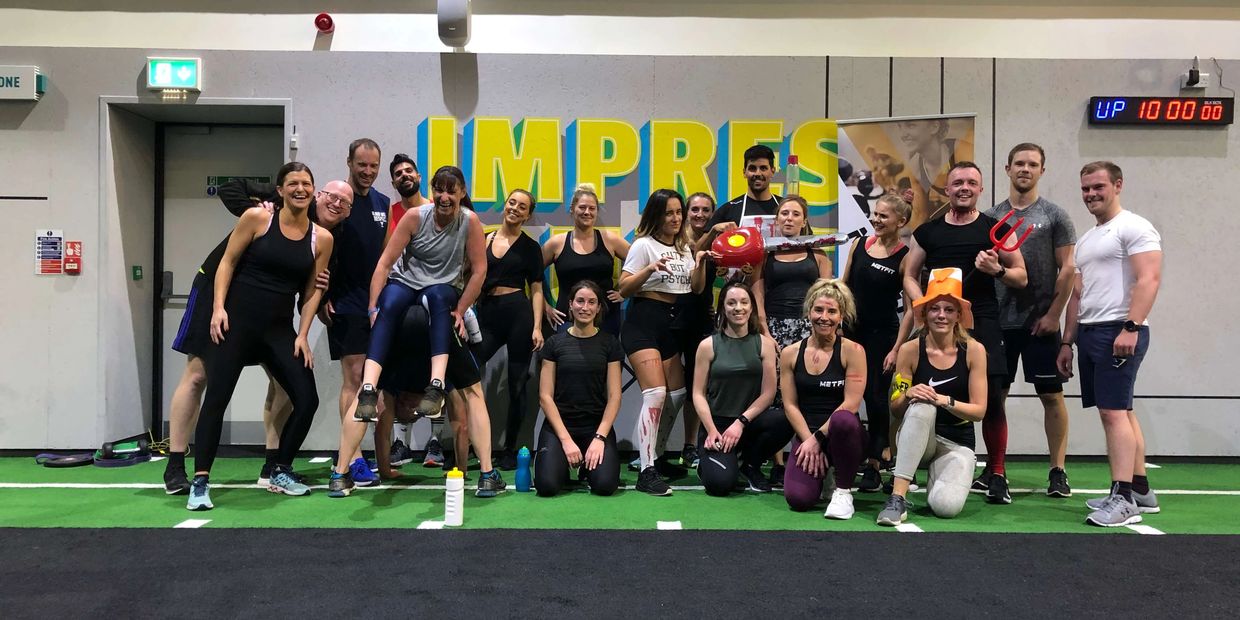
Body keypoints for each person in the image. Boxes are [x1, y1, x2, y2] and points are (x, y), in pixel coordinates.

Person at [163, 178, 349, 494]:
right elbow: (231, 189)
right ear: (316, 194)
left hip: (268, 314)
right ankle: (176, 465)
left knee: (284, 384)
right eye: (331, 197)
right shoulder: (272, 210)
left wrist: (314, 311)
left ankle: (273, 466)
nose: (336, 205)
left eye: (344, 204)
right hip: (217, 293)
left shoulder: (327, 238)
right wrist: (265, 195)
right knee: (197, 375)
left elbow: (311, 289)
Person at [345, 165, 506, 495]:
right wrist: (373, 307)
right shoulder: (416, 216)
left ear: (462, 193)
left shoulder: (468, 222)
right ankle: (485, 472)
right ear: (432, 191)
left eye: (452, 190)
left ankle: (346, 462)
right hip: (417, 305)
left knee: (385, 394)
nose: (445, 196)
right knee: (472, 394)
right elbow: (385, 264)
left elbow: (479, 271)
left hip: (436, 305)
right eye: (439, 189)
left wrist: (460, 310)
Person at [902, 161, 1028, 504]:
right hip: (937, 320)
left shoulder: (995, 230)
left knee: (994, 400)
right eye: (958, 183)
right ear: (947, 189)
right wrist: (924, 304)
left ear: (981, 189)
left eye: (971, 183)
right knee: (919, 391)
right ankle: (909, 469)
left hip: (982, 321)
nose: (964, 188)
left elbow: (1021, 277)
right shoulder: (928, 232)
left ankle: (996, 473)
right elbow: (910, 275)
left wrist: (997, 269)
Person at [1057, 161, 1162, 527]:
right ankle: (1140, 490)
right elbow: (1077, 294)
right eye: (1085, 188)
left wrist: (1130, 326)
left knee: (1113, 414)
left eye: (1098, 187)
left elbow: (1149, 278)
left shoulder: (1133, 226)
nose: (1091, 194)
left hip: (1119, 329)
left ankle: (1123, 498)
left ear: (1117, 185)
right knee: (1121, 410)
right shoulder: (1088, 238)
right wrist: (1068, 341)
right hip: (1091, 331)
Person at [985, 143, 1077, 498]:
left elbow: (1068, 268)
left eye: (1033, 164)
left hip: (1041, 322)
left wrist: (1054, 314)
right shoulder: (991, 217)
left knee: (1051, 395)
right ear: (1007, 168)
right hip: (1000, 321)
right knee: (997, 396)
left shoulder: (1055, 215)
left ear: (1043, 170)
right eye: (1019, 163)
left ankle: (1058, 470)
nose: (1025, 169)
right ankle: (996, 471)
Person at [330, 303, 494, 497]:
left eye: (406, 409)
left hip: (399, 319)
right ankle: (487, 475)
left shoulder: (393, 381)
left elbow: (383, 430)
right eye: (412, 412)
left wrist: (385, 471)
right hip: (433, 318)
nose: (409, 408)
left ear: (400, 402)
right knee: (473, 393)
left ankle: (340, 475)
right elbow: (461, 425)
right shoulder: (440, 378)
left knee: (365, 393)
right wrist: (461, 471)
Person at [876, 267, 988, 526]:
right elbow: (895, 407)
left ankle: (939, 479)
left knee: (945, 508)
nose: (941, 315)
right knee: (922, 406)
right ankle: (897, 498)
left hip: (957, 442)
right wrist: (909, 395)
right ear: (924, 313)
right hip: (918, 436)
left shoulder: (974, 351)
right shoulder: (908, 350)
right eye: (935, 308)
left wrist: (943, 400)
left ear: (959, 315)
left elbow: (979, 411)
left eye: (949, 309)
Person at [618, 188, 710, 496]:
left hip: (673, 322)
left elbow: (696, 289)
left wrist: (699, 263)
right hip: (643, 321)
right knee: (656, 394)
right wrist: (648, 269)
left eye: (678, 212)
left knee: (678, 394)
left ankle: (654, 455)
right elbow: (624, 288)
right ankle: (646, 471)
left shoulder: (685, 247)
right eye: (668, 213)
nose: (675, 218)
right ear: (656, 215)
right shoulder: (643, 245)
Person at [751, 195, 832, 486]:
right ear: (776, 220)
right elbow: (757, 292)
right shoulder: (766, 253)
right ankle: (777, 462)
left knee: (804, 392)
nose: (788, 218)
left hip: (809, 331)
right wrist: (764, 330)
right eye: (783, 213)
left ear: (804, 220)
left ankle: (807, 450)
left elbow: (828, 295)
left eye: (795, 214)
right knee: (775, 396)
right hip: (774, 329)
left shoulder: (819, 254)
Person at [324, 139, 391, 486]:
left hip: (375, 306)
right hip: (346, 304)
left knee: (374, 386)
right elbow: (318, 250)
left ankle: (355, 456)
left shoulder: (383, 203)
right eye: (361, 164)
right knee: (354, 381)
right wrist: (321, 296)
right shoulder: (337, 201)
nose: (367, 171)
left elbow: (383, 258)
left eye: (373, 166)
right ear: (349, 162)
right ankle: (352, 458)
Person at [842, 193, 913, 492]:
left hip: (882, 336)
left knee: (876, 398)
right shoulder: (859, 245)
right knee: (847, 398)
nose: (875, 220)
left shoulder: (905, 256)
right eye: (875, 213)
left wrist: (897, 348)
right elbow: (843, 287)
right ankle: (849, 456)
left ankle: (875, 465)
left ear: (901, 221)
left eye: (884, 216)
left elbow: (911, 310)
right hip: (851, 332)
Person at [779, 279, 867, 519]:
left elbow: (852, 403)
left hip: (844, 435)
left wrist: (818, 438)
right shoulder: (789, 354)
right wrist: (809, 440)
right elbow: (790, 404)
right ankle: (825, 474)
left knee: (842, 419)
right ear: (809, 312)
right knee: (798, 499)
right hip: (809, 436)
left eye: (832, 311)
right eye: (818, 310)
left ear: (841, 316)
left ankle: (843, 491)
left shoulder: (854, 351)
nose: (824, 317)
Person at [692, 282, 789, 496]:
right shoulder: (708, 345)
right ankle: (708, 464)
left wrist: (741, 422)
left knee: (785, 418)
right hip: (717, 424)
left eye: (744, 302)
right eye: (731, 303)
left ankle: (750, 464)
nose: (738, 308)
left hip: (749, 422)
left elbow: (768, 393)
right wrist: (710, 429)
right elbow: (698, 394)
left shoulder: (764, 344)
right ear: (723, 308)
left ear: (752, 307)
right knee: (719, 486)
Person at [475, 189, 545, 470]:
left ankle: (510, 448)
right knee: (467, 371)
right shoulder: (484, 239)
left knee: (517, 384)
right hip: (487, 315)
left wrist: (537, 327)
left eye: (522, 206)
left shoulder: (530, 248)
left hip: (518, 315)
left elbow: (537, 289)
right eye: (512, 203)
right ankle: (469, 443)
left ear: (528, 215)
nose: (515, 208)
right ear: (505, 206)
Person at [534, 281, 623, 497]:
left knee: (605, 486)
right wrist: (565, 441)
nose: (585, 307)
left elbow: (614, 396)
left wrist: (600, 438)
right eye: (580, 301)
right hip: (559, 428)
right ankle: (563, 462)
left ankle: (587, 464)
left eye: (592, 302)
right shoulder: (554, 344)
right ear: (570, 305)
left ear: (599, 307)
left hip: (595, 427)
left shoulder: (610, 343)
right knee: (546, 486)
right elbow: (545, 397)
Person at [654, 191, 717, 471]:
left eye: (706, 210)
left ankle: (689, 446)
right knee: (665, 389)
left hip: (700, 321)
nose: (700, 215)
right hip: (669, 318)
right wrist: (714, 231)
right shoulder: (678, 242)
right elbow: (693, 253)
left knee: (695, 386)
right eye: (694, 210)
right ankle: (654, 447)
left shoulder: (717, 245)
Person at [543, 183, 629, 336]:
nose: (587, 212)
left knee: (606, 359)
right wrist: (545, 306)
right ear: (572, 209)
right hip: (567, 318)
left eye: (592, 208)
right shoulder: (556, 243)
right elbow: (531, 274)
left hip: (606, 317)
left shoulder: (610, 240)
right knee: (570, 359)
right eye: (582, 207)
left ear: (596, 211)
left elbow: (639, 262)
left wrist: (624, 291)